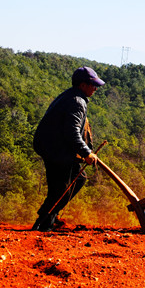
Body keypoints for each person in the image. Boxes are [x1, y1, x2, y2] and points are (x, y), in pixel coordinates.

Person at [31, 66, 105, 231]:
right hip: (56, 149)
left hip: (52, 146)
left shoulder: (71, 96)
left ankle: (49, 217)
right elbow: (71, 132)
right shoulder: (76, 101)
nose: (95, 88)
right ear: (82, 85)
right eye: (93, 85)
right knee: (63, 187)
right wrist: (86, 153)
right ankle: (45, 223)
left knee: (74, 181)